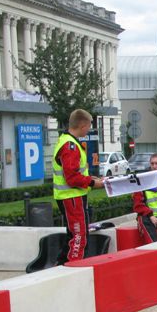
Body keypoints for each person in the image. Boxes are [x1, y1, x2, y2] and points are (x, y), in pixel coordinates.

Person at [53, 108, 105, 263]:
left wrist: (91, 177)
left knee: (74, 235)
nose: (89, 130)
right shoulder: (71, 146)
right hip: (72, 197)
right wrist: (92, 183)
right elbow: (72, 177)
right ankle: (73, 269)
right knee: (79, 236)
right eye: (89, 126)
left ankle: (60, 266)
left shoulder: (66, 141)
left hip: (71, 197)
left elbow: (74, 172)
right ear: (82, 126)